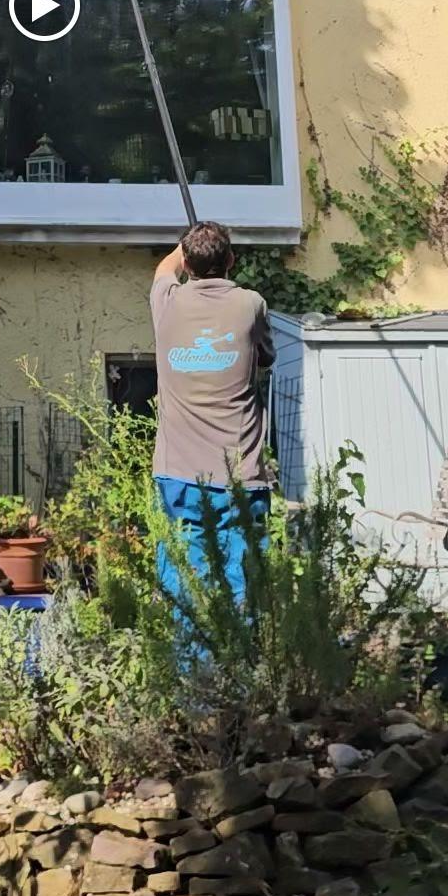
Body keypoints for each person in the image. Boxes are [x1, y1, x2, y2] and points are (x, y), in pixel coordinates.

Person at [150, 219, 274, 606]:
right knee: (242, 582)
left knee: (185, 579)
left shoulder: (166, 301)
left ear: (186, 264)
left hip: (180, 475)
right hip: (240, 472)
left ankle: (191, 664)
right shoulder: (251, 304)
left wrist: (187, 246)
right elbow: (266, 358)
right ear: (232, 260)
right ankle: (241, 664)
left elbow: (163, 269)